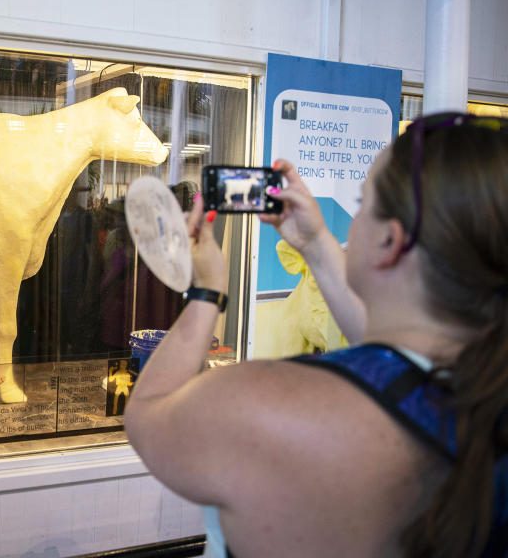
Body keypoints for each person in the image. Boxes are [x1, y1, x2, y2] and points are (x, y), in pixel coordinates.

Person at [125, 112, 507, 557]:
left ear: (390, 242)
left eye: (364, 203)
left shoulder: (267, 404)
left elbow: (147, 416)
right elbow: (396, 355)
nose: (352, 221)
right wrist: (315, 244)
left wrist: (207, 292)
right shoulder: (484, 391)